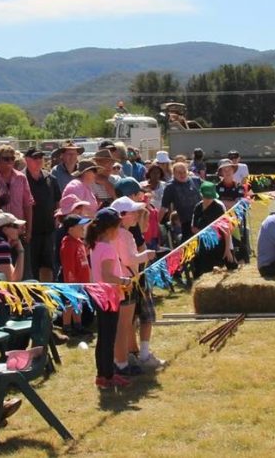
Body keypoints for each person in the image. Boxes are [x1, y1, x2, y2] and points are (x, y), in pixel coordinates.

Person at [111, 197, 159, 374]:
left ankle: (122, 358)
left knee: (122, 325)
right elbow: (129, 259)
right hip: (126, 282)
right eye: (131, 213)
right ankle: (122, 362)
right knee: (123, 326)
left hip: (121, 281)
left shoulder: (114, 233)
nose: (135, 216)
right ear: (122, 215)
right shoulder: (124, 234)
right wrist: (147, 254)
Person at [87, 207, 131, 389]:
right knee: (108, 337)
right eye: (118, 227)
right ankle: (107, 375)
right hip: (109, 296)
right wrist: (123, 280)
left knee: (104, 336)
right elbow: (107, 275)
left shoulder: (95, 246)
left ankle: (103, 375)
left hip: (100, 295)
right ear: (110, 229)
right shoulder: (107, 249)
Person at [23, 147, 62, 281]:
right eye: (35, 158)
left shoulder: (51, 178)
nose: (39, 160)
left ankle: (49, 294)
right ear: (26, 160)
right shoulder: (21, 179)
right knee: (31, 266)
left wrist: (58, 216)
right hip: (30, 232)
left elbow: (58, 200)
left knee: (49, 265)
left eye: (41, 157)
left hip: (49, 231)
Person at [0, 145, 34, 240]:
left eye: (12, 158)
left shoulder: (21, 177)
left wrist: (29, 231)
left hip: (18, 229)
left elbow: (28, 205)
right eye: (6, 159)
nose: (10, 161)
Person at [192, 182, 233, 276]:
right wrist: (205, 233)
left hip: (218, 245)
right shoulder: (198, 207)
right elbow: (193, 228)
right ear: (201, 195)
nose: (208, 200)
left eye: (210, 197)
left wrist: (228, 249)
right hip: (202, 244)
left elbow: (226, 229)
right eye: (206, 197)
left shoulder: (219, 207)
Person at [59, 215, 89, 336]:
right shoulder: (68, 244)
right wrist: (71, 283)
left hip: (81, 281)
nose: (83, 228)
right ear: (71, 229)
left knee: (78, 303)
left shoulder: (78, 242)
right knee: (70, 303)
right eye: (80, 226)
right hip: (72, 282)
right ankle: (66, 327)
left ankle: (78, 325)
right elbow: (68, 266)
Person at [160, 162, 202, 241]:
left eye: (184, 172)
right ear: (174, 173)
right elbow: (163, 207)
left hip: (202, 219)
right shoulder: (170, 187)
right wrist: (156, 224)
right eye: (179, 172)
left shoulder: (196, 181)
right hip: (186, 222)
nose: (182, 174)